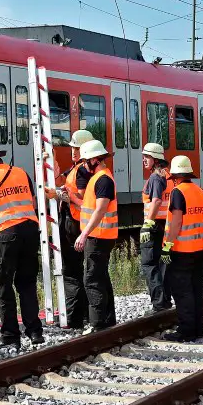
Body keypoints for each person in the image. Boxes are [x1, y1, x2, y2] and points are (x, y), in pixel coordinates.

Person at [0, 144, 44, 348]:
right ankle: (35, 332)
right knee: (27, 283)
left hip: (5, 235)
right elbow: (32, 202)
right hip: (30, 230)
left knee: (3, 285)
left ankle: (11, 337)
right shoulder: (21, 173)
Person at [161, 156, 203, 342]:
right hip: (200, 248)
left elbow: (177, 221)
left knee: (182, 291)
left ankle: (186, 330)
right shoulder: (200, 192)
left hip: (182, 250)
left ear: (175, 176)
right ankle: (197, 329)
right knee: (197, 290)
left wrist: (168, 246)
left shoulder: (177, 192)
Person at [75, 139, 118, 334]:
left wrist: (84, 234)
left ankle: (97, 324)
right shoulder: (99, 178)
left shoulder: (103, 180)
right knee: (101, 277)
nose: (84, 165)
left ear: (94, 160)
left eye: (85, 161)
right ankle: (107, 320)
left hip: (98, 236)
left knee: (92, 279)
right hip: (100, 235)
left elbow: (100, 210)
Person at [55, 129, 94, 329]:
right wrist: (52, 161)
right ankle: (83, 314)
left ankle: (74, 317)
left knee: (71, 270)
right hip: (76, 222)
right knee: (77, 269)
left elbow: (82, 199)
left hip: (74, 222)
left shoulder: (82, 171)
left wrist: (64, 196)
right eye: (72, 147)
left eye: (76, 148)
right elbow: (59, 180)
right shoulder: (78, 169)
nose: (73, 151)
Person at [140, 142, 174, 313]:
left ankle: (159, 304)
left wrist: (147, 224)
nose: (144, 160)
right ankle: (165, 301)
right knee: (163, 265)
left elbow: (156, 201)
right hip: (165, 225)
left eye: (147, 157)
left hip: (154, 226)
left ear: (155, 159)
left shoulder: (155, 177)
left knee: (149, 264)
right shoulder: (168, 176)